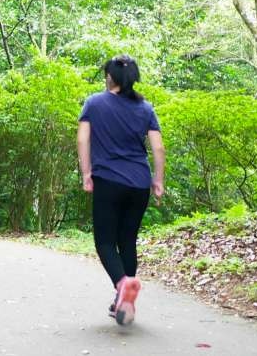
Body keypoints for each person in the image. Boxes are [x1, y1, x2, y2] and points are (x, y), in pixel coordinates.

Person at [76, 54, 165, 326]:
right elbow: (158, 147)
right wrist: (158, 180)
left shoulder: (94, 103)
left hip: (108, 181)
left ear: (109, 77)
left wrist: (86, 173)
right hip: (139, 183)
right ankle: (123, 302)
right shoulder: (145, 108)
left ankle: (122, 284)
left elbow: (83, 139)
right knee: (127, 240)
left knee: (104, 241)